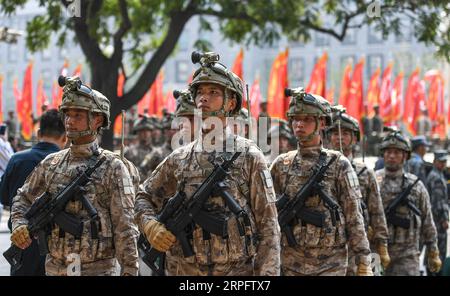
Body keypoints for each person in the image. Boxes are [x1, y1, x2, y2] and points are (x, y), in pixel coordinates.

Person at [135, 51, 281, 276]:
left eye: (213, 92)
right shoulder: (179, 157)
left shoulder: (250, 156)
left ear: (231, 102)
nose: (203, 98)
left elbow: (269, 227)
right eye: (200, 92)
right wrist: (149, 225)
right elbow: (142, 196)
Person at [10, 76, 139, 276]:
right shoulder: (51, 163)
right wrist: (19, 223)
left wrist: (129, 271)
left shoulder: (113, 167)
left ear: (97, 119)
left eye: (77, 115)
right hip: (55, 269)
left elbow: (125, 228)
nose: (69, 121)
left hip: (98, 270)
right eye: (67, 115)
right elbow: (22, 198)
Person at [270, 87, 372, 276]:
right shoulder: (280, 164)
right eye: (296, 119)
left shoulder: (338, 164)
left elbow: (353, 215)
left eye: (307, 119)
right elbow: (267, 215)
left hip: (331, 263)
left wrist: (363, 260)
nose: (299, 124)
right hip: (290, 262)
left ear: (322, 122)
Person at [0, 109, 67, 275]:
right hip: (58, 251)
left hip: (22, 244)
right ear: (65, 138)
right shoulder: (67, 165)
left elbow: (4, 198)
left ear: (38, 133)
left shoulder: (17, 160)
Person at [327, 110, 389, 275]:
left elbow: (376, 211)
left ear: (355, 139)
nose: (339, 137)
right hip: (327, 248)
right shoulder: (320, 172)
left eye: (345, 133)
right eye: (334, 133)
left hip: (357, 246)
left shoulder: (365, 173)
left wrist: (381, 245)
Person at [376, 131, 441, 276]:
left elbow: (427, 219)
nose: (392, 156)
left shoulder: (415, 185)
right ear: (383, 154)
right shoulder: (372, 182)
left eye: (397, 152)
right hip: (377, 252)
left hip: (407, 254)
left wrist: (433, 250)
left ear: (405, 156)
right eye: (388, 152)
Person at [425, 150, 449, 275]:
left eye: (445, 161)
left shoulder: (437, 174)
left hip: (434, 219)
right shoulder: (437, 177)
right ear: (435, 162)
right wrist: (444, 219)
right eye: (441, 161)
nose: (443, 164)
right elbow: (439, 202)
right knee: (439, 250)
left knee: (433, 248)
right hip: (437, 220)